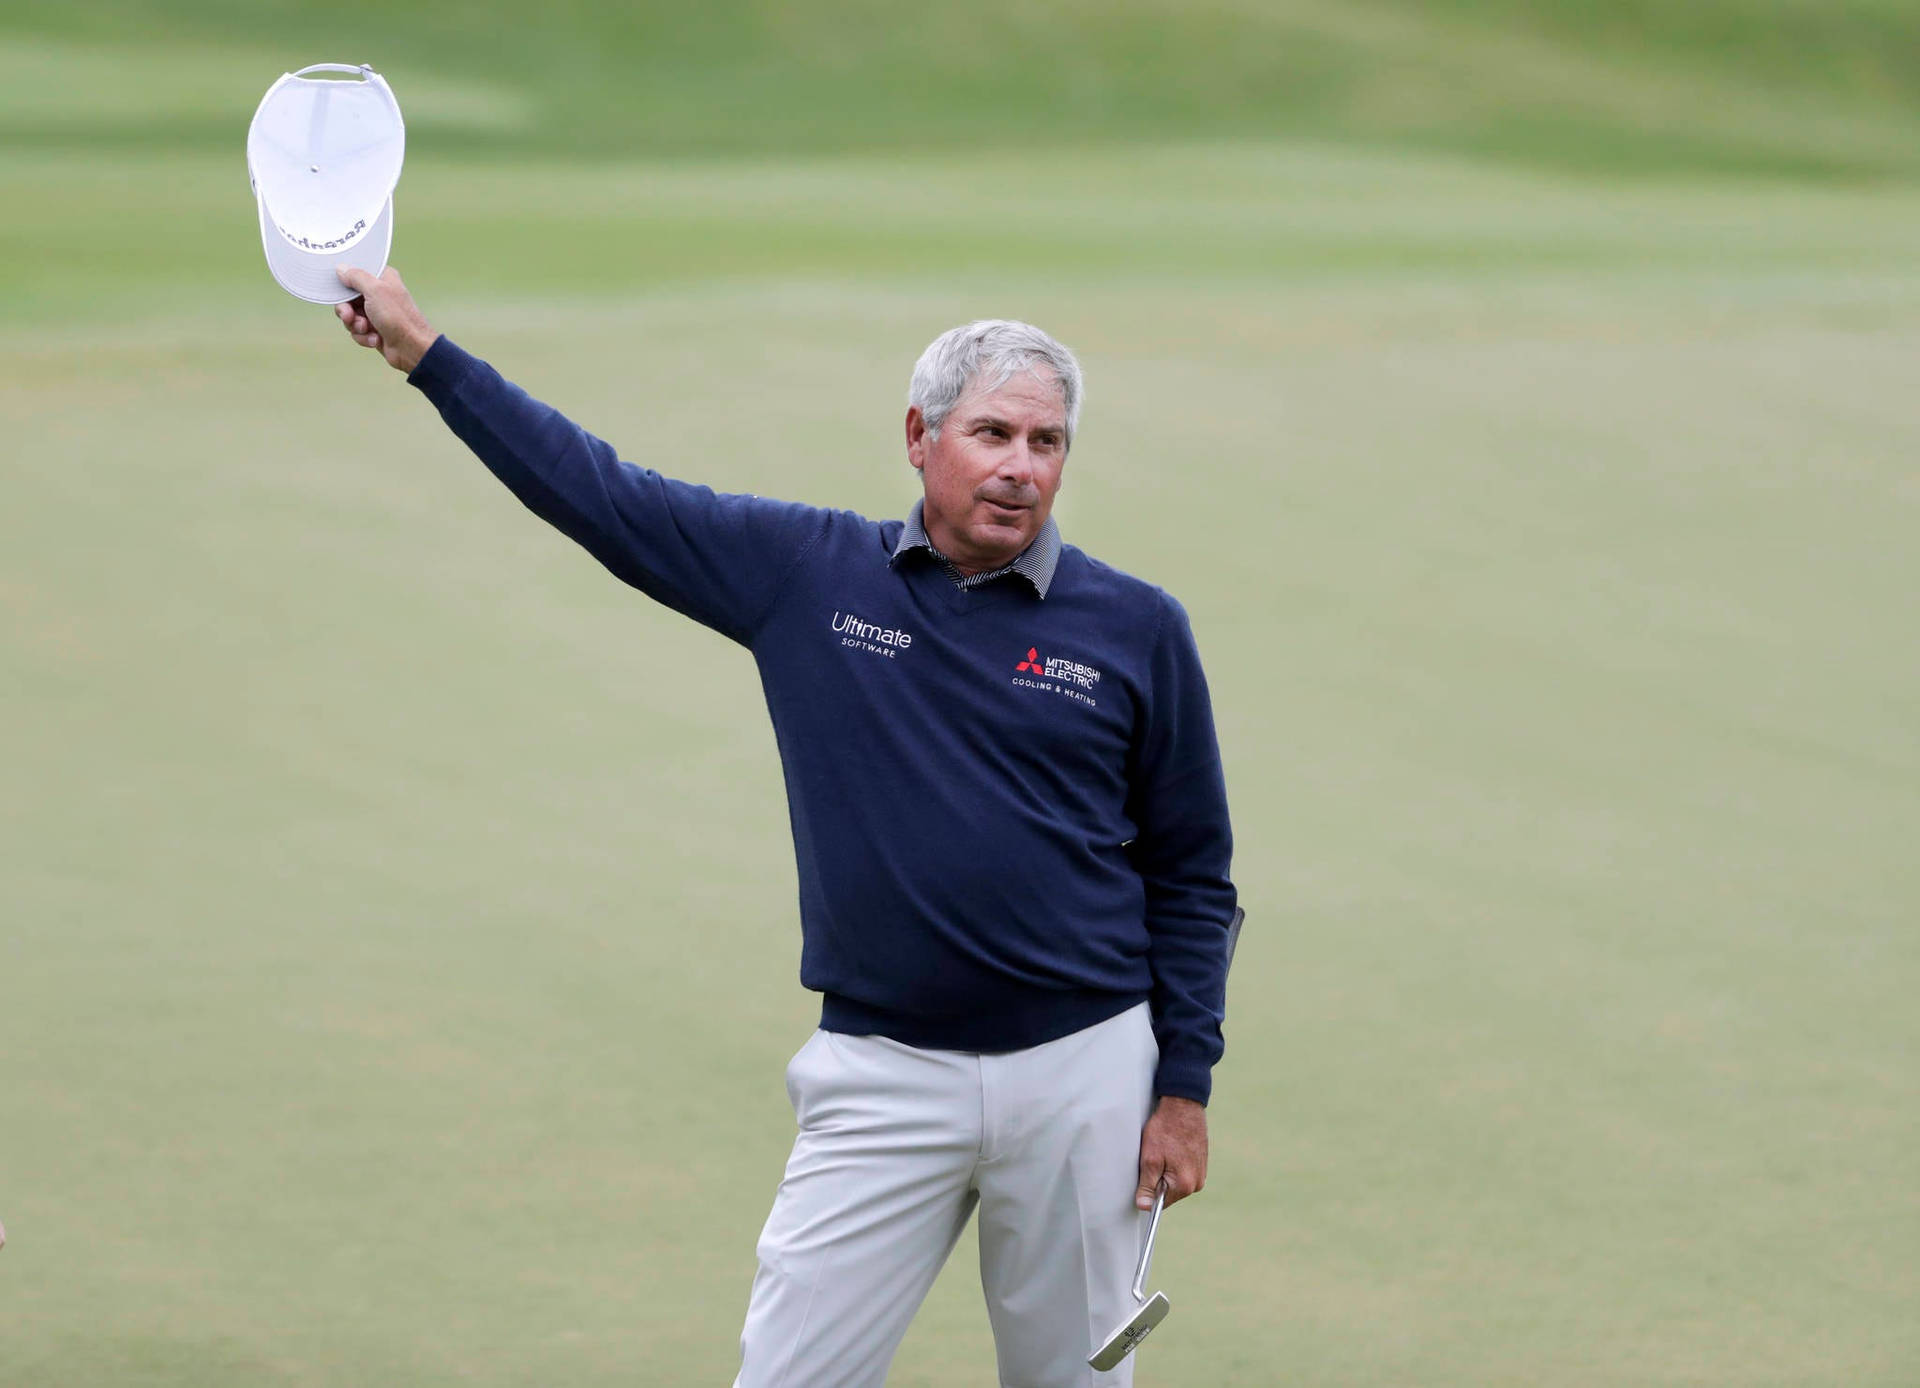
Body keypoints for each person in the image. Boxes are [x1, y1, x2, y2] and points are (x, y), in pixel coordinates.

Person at [333, 265, 1237, 1387]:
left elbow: (1194, 872)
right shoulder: (810, 574)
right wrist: (428, 355)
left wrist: (1183, 1084)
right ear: (920, 435)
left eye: (1046, 442)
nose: (1019, 466)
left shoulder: (1138, 627)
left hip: (1084, 1072)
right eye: (993, 431)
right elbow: (603, 494)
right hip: (883, 1070)